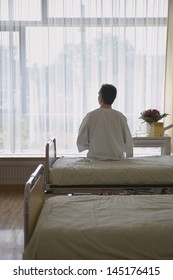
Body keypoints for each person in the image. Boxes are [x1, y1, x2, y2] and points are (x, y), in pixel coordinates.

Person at [77, 83, 133, 160]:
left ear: (101, 98)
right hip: (117, 160)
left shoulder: (91, 116)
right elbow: (128, 141)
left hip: (94, 159)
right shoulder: (120, 117)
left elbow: (81, 140)